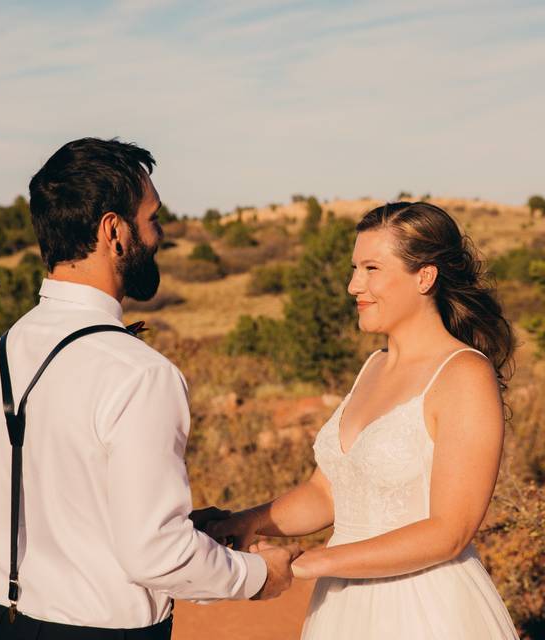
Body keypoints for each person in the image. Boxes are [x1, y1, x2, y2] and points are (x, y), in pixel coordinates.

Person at [0, 137, 298, 640]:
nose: (159, 235)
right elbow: (155, 553)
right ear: (113, 230)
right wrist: (258, 577)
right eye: (152, 218)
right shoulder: (139, 373)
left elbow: (66, 503)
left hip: (7, 626)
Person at [209, 201, 521, 638]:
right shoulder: (374, 366)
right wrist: (247, 521)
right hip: (344, 603)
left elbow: (450, 531)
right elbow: (328, 491)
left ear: (425, 277)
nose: (355, 285)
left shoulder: (463, 374)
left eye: (372, 268)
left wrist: (317, 561)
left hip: (423, 608)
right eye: (355, 268)